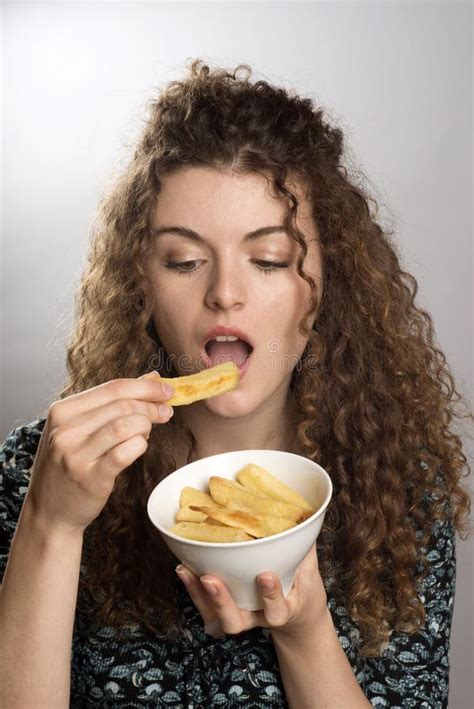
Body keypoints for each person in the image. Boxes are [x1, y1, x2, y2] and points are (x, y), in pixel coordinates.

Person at [0, 58, 472, 709]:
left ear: (325, 284)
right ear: (142, 280)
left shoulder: (399, 490)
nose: (225, 293)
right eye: (185, 260)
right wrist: (50, 525)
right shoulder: (41, 467)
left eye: (269, 258)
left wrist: (306, 633)